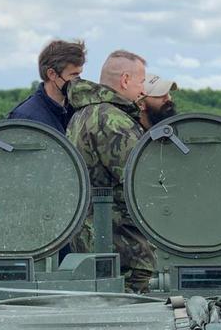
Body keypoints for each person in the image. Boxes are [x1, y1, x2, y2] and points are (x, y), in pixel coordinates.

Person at [65, 50, 156, 292]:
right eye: (141, 81)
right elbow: (146, 184)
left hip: (91, 244)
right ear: (125, 80)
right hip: (126, 250)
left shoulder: (81, 115)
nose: (143, 90)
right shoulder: (114, 121)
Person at [9, 39, 86, 133]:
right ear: (52, 74)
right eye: (73, 74)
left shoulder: (78, 111)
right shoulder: (26, 119)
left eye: (79, 74)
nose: (78, 80)